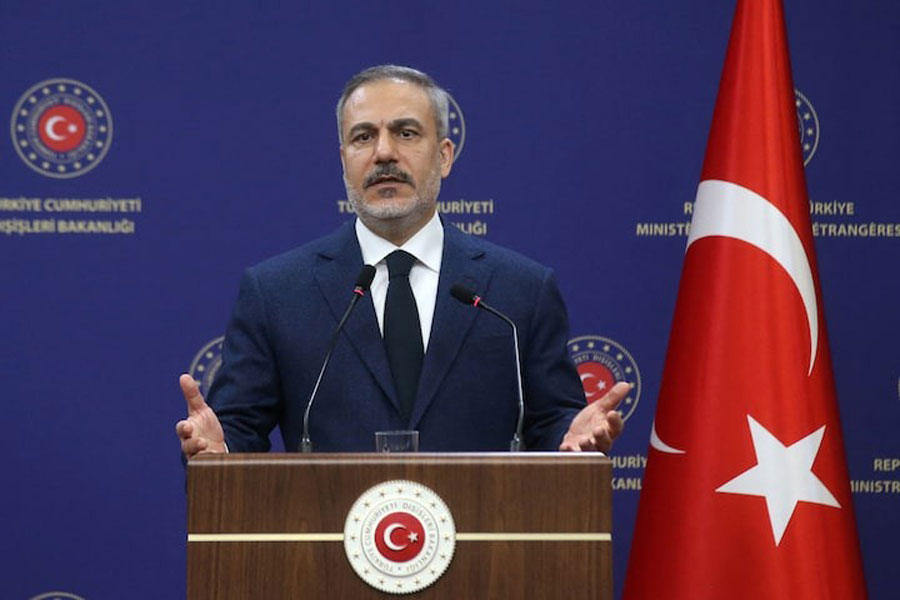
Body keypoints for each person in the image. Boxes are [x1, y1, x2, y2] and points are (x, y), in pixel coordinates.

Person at [176, 65, 626, 458]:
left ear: (445, 156)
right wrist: (219, 448)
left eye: (406, 133)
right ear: (343, 161)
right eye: (363, 136)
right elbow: (236, 431)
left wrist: (572, 441)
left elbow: (553, 423)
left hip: (482, 549)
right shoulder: (276, 292)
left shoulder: (520, 291)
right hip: (328, 550)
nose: (384, 152)